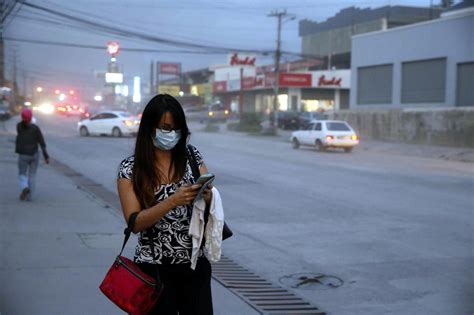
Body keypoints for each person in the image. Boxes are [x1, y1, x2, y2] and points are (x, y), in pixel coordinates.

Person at [117, 94, 214, 314]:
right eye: (165, 127)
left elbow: (210, 199)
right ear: (149, 127)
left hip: (194, 264)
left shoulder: (191, 156)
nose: (171, 134)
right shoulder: (130, 168)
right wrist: (172, 201)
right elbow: (134, 223)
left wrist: (208, 196)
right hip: (153, 269)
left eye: (176, 128)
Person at [15, 108, 49, 201]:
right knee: (32, 175)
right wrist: (46, 157)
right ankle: (30, 197)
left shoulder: (18, 126)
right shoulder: (36, 128)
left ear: (22, 118)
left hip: (23, 155)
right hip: (34, 154)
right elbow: (42, 143)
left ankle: (25, 187)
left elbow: (23, 125)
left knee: (22, 173)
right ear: (31, 118)